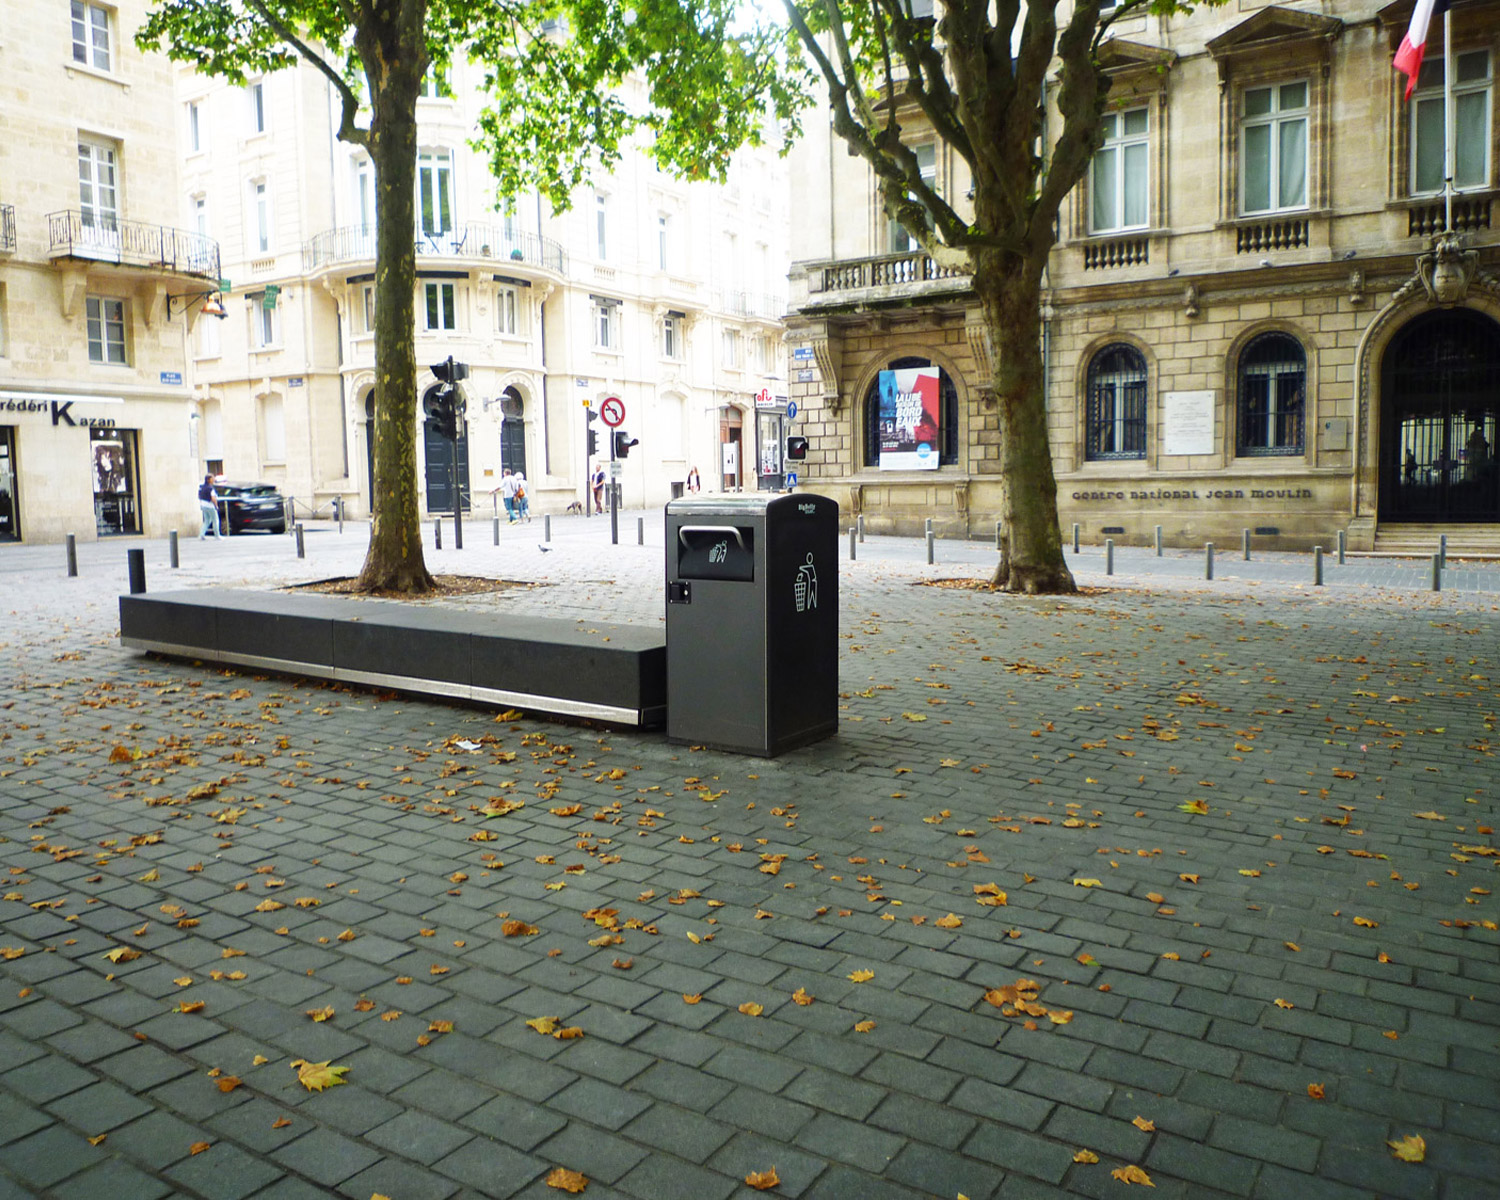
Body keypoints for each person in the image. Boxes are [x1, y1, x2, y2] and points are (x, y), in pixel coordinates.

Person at [198, 473, 223, 539]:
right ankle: (217, 535)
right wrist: (216, 506)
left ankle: (201, 535)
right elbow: (213, 498)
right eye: (212, 478)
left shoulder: (201, 487)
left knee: (207, 520)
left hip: (203, 505)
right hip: (210, 506)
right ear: (208, 480)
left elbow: (199, 496)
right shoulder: (210, 488)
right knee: (215, 520)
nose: (214, 479)